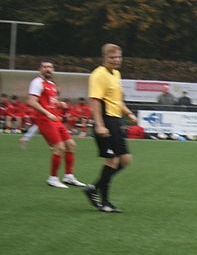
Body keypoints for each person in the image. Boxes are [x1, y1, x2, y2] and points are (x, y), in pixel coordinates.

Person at [85, 43, 137, 213]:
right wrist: (99, 125)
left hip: (116, 121)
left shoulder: (116, 74)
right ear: (104, 58)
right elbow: (95, 101)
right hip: (105, 121)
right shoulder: (98, 75)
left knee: (126, 160)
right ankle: (105, 202)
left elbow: (117, 100)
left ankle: (94, 188)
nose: (116, 60)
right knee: (112, 161)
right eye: (112, 57)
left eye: (119, 57)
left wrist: (128, 113)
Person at [26, 61, 86, 189]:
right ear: (40, 69)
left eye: (50, 67)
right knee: (59, 147)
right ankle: (52, 178)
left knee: (71, 145)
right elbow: (32, 102)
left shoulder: (52, 84)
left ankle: (69, 176)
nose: (48, 69)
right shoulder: (37, 82)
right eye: (45, 67)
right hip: (45, 119)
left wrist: (60, 104)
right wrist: (47, 113)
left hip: (55, 120)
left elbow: (50, 102)